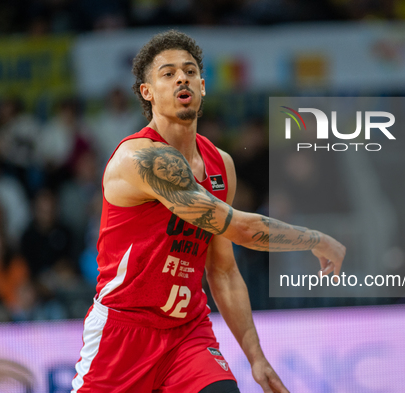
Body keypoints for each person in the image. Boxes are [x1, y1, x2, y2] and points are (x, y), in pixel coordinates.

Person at [72, 30, 345, 393]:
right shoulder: (141, 158)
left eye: (189, 71)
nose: (181, 77)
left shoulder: (221, 164)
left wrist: (256, 356)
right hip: (124, 335)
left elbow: (224, 270)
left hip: (187, 334)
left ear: (202, 85)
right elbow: (242, 230)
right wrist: (315, 238)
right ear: (147, 92)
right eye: (167, 73)